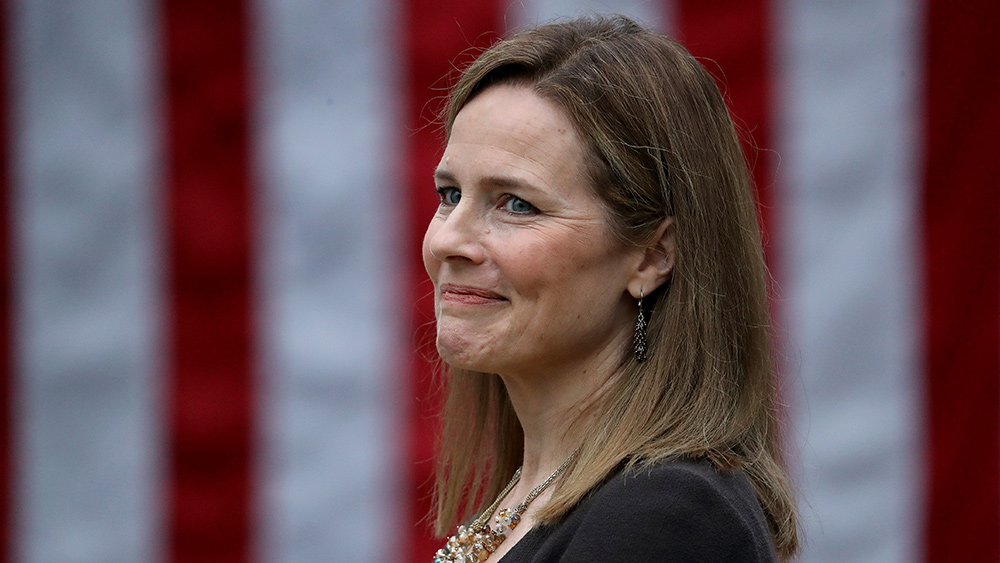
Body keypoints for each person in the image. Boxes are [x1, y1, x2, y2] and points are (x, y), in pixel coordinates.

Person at [422, 15, 800, 563]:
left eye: (517, 204)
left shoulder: (667, 516)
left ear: (652, 256)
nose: (447, 241)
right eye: (450, 195)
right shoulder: (543, 494)